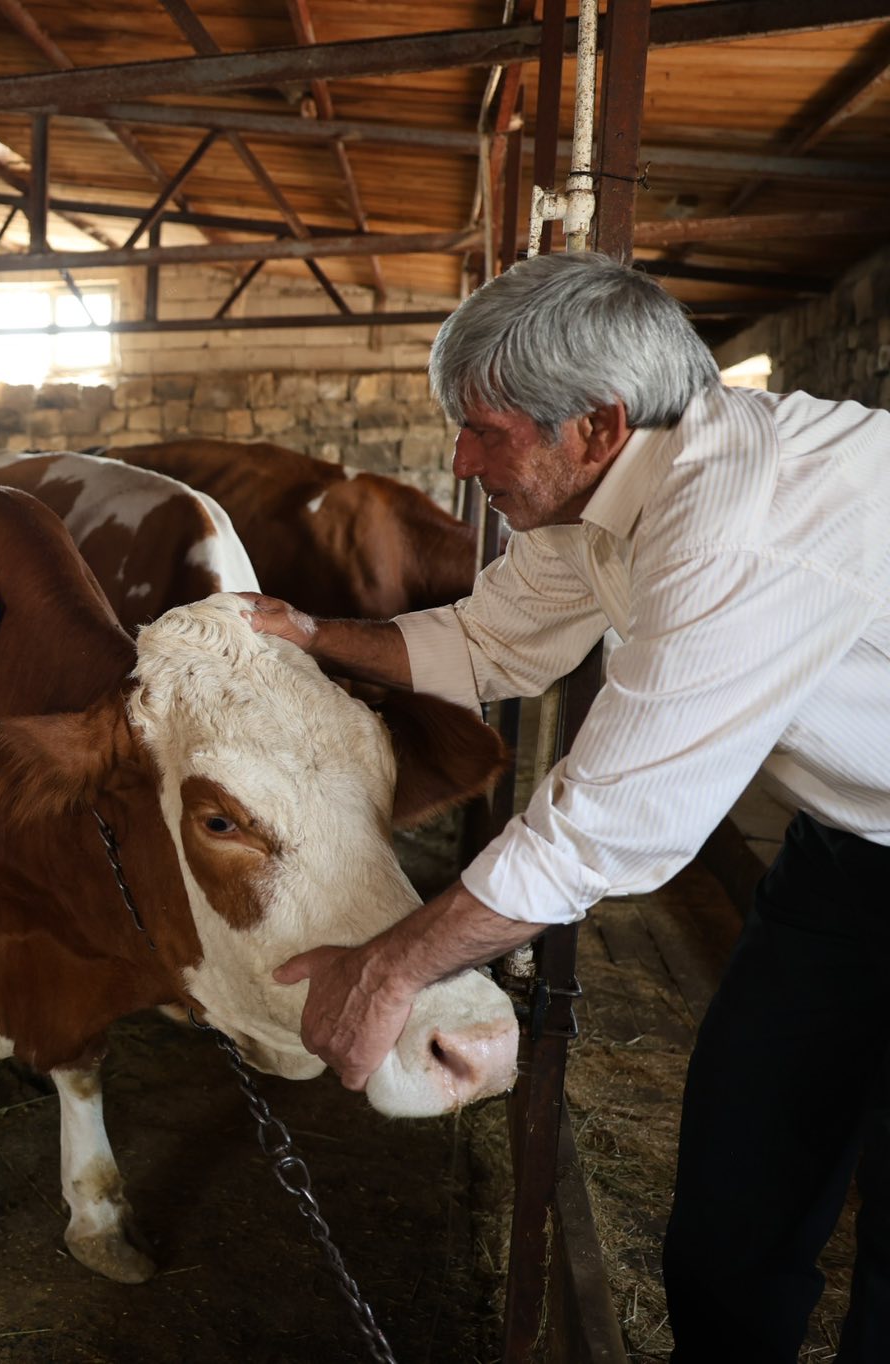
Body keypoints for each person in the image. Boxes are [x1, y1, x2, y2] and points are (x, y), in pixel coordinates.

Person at [240, 250, 890, 1361]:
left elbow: (608, 822)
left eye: (484, 430)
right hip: (851, 850)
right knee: (738, 1172)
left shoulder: (739, 524)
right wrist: (308, 633)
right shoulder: (598, 500)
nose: (459, 455)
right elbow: (491, 638)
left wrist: (392, 965)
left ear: (592, 423)